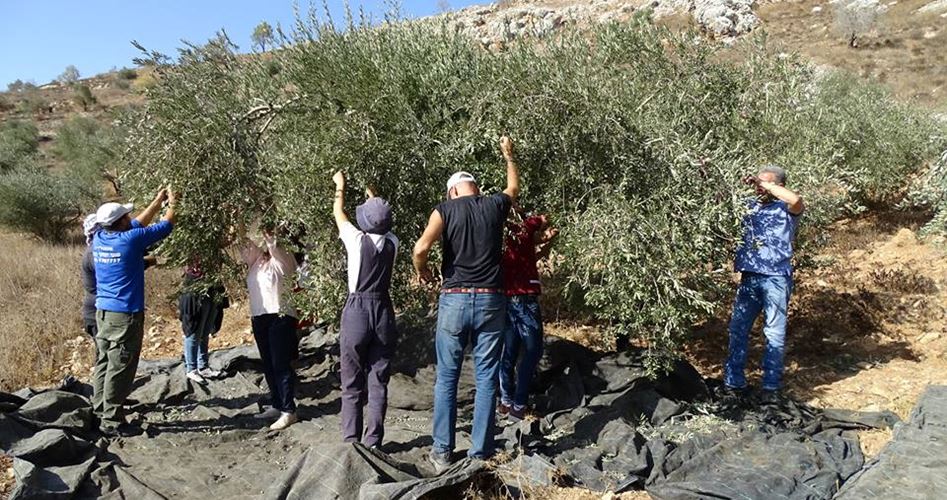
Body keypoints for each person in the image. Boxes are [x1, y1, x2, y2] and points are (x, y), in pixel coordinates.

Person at [413, 135, 519, 472]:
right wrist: (508, 155)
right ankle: (480, 453)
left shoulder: (444, 210)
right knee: (486, 377)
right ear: (475, 188)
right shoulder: (494, 204)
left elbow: (420, 248)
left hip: (455, 299)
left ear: (452, 192)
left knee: (447, 377)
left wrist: (422, 271)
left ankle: (442, 452)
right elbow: (513, 188)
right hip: (491, 300)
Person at [91, 188, 176, 435]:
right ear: (120, 222)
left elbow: (137, 223)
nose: (131, 218)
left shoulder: (100, 237)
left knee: (104, 362)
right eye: (126, 216)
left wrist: (157, 201)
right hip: (124, 315)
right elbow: (166, 225)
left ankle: (99, 411)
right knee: (120, 366)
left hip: (104, 312)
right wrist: (174, 202)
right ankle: (112, 422)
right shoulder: (129, 240)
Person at [724, 165, 804, 403]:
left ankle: (771, 387)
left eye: (765, 183)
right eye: (757, 183)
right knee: (738, 329)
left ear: (779, 185)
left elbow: (796, 200)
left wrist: (765, 184)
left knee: (774, 332)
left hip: (776, 278)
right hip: (750, 277)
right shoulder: (749, 206)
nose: (759, 188)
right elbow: (719, 200)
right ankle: (734, 383)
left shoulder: (786, 209)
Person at [332, 171, 399, 449]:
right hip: (383, 309)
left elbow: (338, 212)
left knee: (351, 380)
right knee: (378, 379)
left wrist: (340, 186)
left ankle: (351, 441)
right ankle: (374, 441)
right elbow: (379, 221)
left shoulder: (356, 241)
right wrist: (374, 196)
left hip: (358, 308)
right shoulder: (393, 242)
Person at [497, 209, 557, 421]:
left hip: (508, 298)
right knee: (533, 351)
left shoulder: (503, 236)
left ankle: (506, 402)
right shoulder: (521, 227)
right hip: (525, 299)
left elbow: (533, 255)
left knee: (510, 351)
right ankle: (519, 405)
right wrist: (549, 217)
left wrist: (548, 240)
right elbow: (545, 218)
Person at [241, 225, 299, 431]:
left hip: (280, 317)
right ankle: (277, 404)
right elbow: (243, 242)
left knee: (280, 364)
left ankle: (289, 410)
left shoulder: (284, 260)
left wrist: (267, 215)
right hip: (259, 316)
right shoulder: (257, 261)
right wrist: (237, 218)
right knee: (268, 363)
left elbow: (272, 241)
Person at [81, 215, 156, 339]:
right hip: (100, 313)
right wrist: (148, 261)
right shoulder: (95, 252)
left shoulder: (99, 248)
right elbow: (120, 268)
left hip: (103, 311)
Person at [178, 260, 229, 384]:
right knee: (194, 332)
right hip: (196, 292)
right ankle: (191, 369)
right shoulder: (193, 255)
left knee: (205, 332)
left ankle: (203, 366)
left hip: (213, 289)